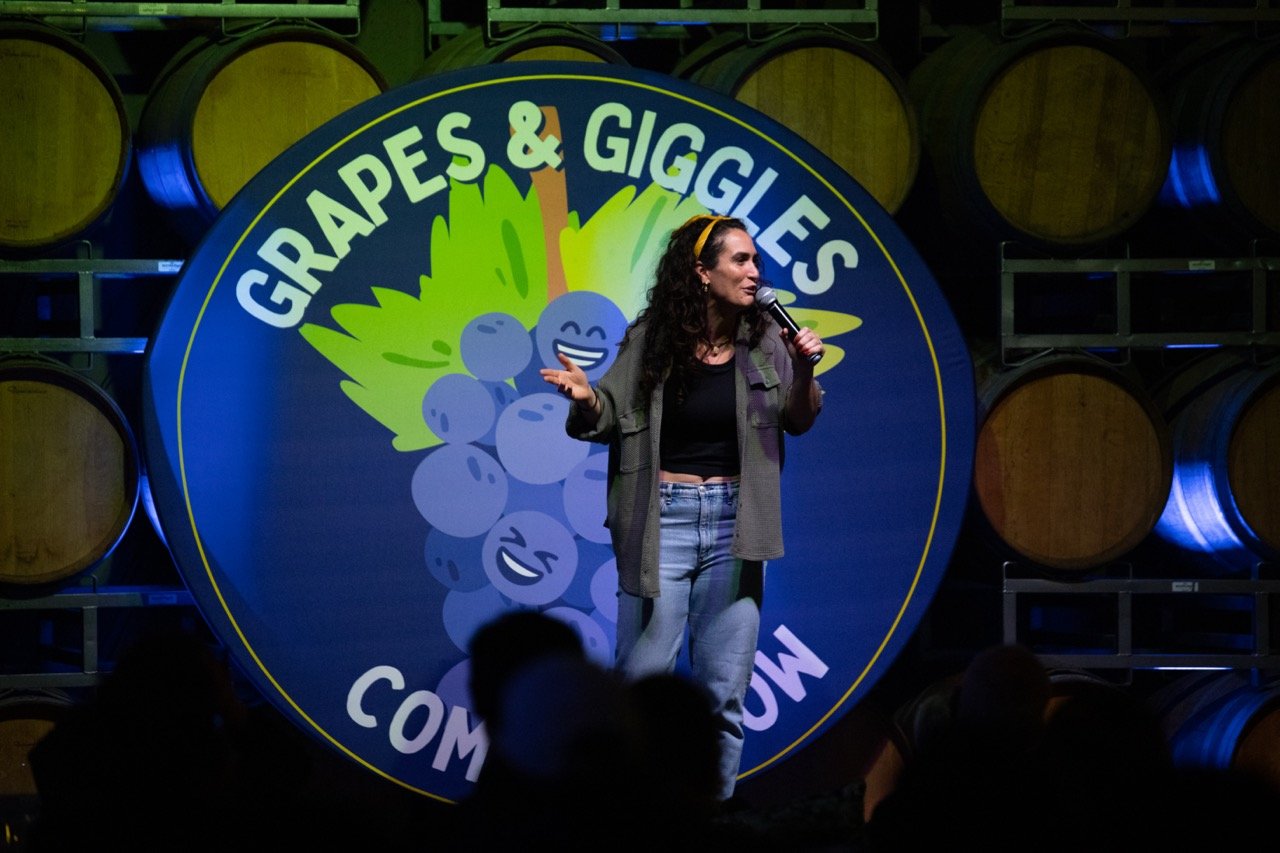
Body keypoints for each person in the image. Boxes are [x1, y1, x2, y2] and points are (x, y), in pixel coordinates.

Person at [540, 213, 824, 800]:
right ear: (701, 272)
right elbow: (609, 411)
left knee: (724, 696)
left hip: (735, 526)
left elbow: (799, 419)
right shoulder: (652, 339)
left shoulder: (769, 341)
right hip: (660, 522)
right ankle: (631, 823)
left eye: (756, 262)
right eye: (740, 261)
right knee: (640, 692)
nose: (754, 273)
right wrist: (588, 396)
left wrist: (807, 371)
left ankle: (711, 825)